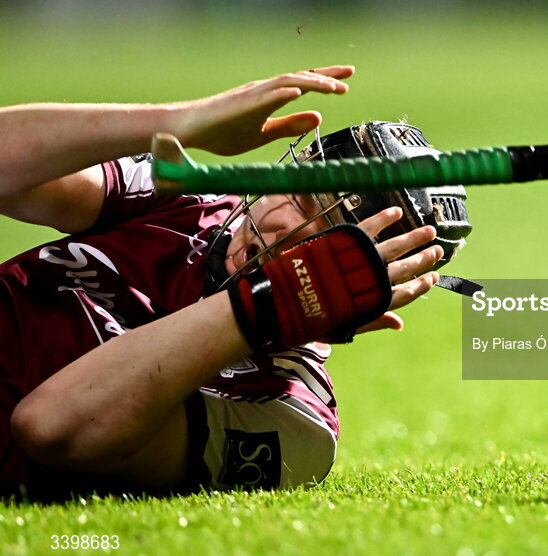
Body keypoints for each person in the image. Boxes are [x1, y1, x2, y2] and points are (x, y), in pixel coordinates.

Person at [0, 66, 443, 499]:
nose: (282, 228)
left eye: (326, 243)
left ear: (370, 292)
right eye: (298, 193)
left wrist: (268, 306)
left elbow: (51, 427)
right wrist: (179, 123)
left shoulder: (295, 422)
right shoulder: (184, 199)